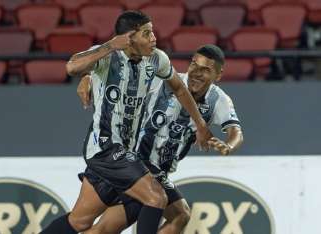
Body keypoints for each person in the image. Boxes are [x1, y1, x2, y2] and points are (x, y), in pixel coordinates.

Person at [40, 11, 212, 234]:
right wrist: (111, 45)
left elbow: (179, 88)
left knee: (79, 221)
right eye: (146, 33)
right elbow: (72, 67)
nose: (154, 38)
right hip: (105, 147)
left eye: (152, 32)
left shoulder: (156, 59)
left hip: (126, 152)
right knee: (155, 197)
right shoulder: (107, 55)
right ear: (129, 38)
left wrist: (200, 124)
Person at [76, 44, 244, 234]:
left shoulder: (218, 100)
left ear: (218, 75)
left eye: (205, 70)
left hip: (156, 173)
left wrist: (228, 146)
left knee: (104, 227)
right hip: (134, 161)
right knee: (177, 213)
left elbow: (236, 132)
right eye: (194, 65)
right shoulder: (167, 80)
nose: (196, 73)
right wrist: (87, 76)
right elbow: (119, 70)